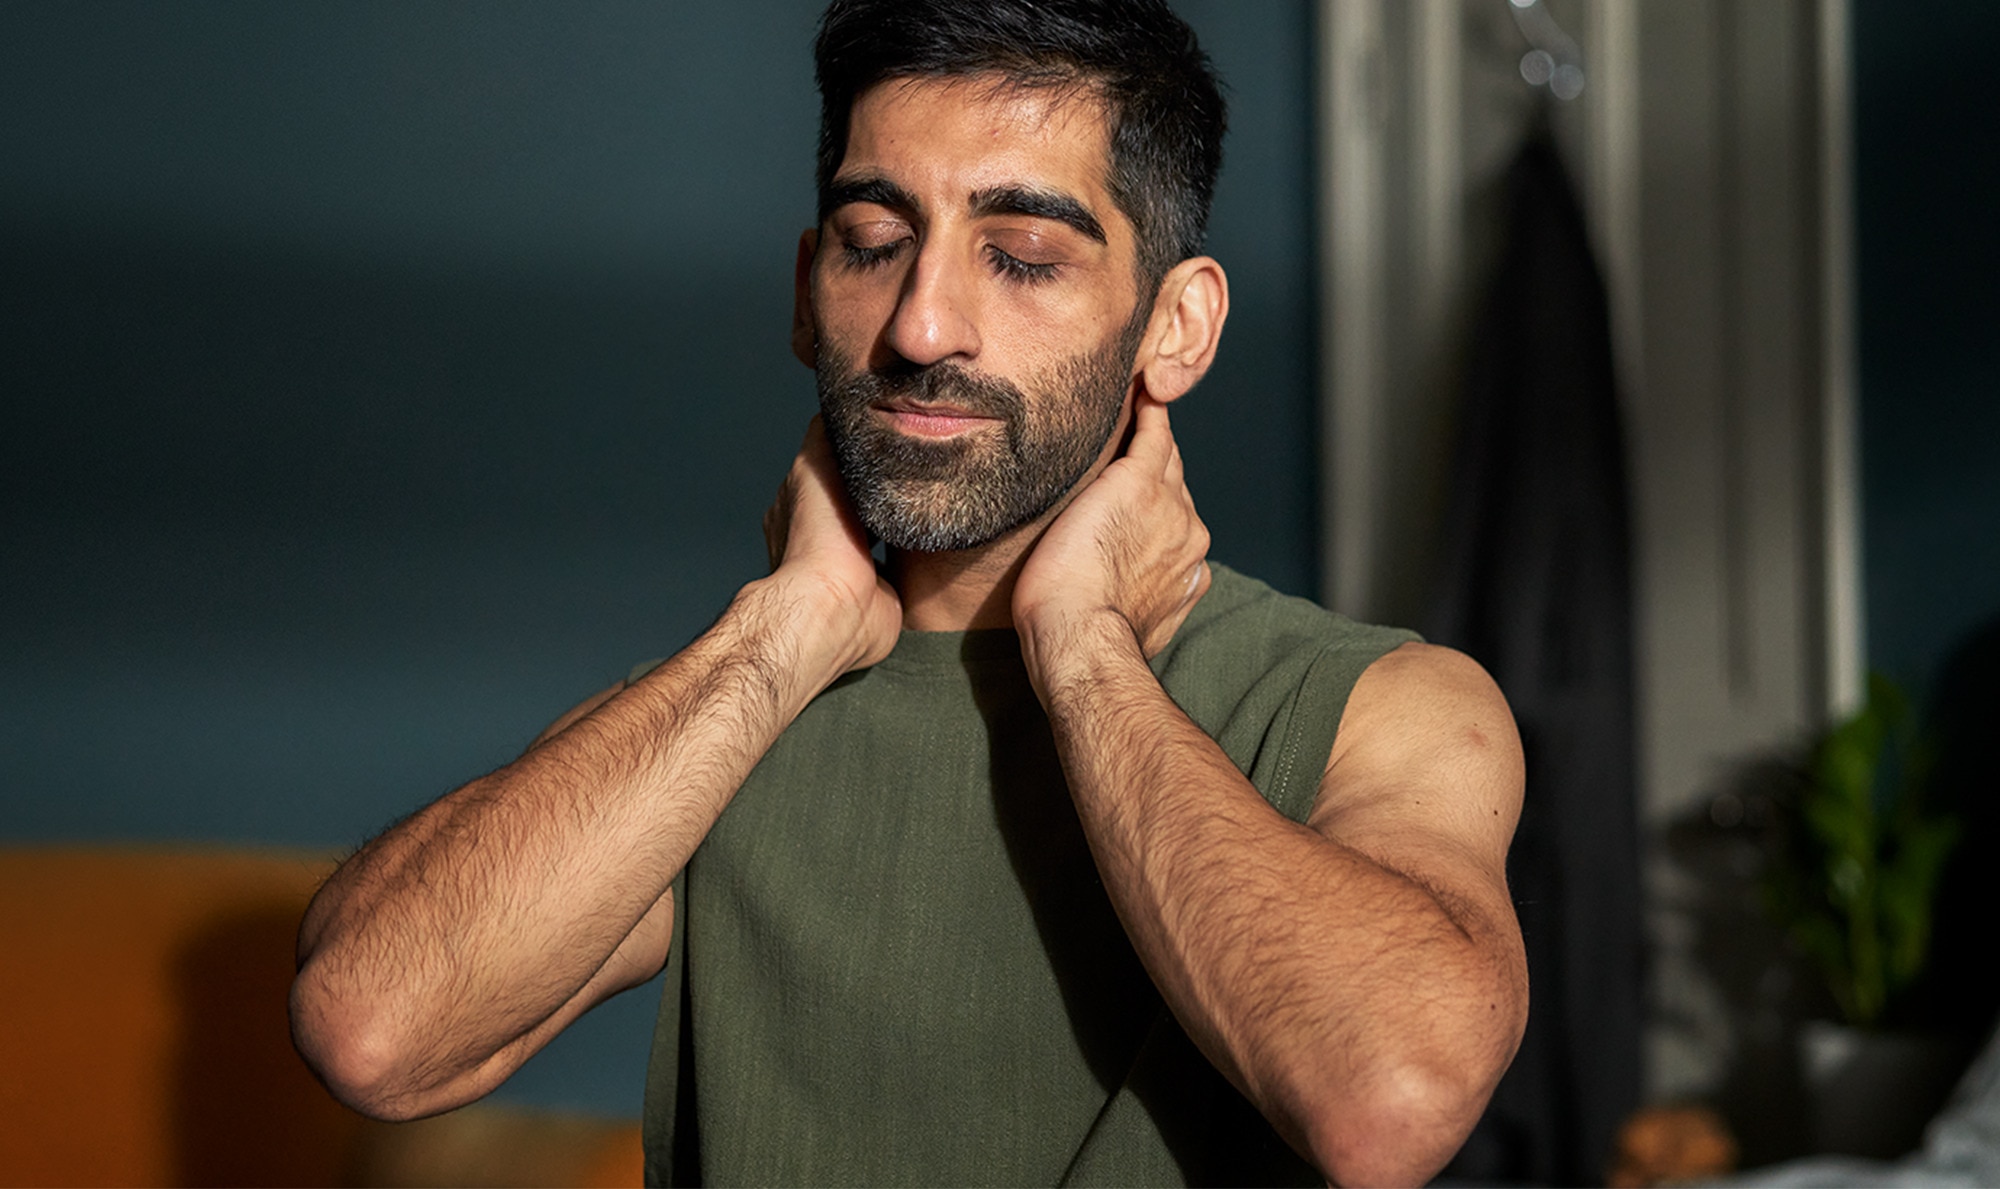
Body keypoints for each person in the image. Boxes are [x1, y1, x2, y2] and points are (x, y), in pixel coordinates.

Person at [290, 1, 1529, 1183]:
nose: (922, 323)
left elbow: (1390, 1102)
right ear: (802, 288)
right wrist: (787, 626)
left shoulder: (1380, 706)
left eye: (1023, 257)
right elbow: (371, 1029)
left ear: (1175, 327)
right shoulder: (735, 706)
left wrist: (1085, 649)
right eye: (873, 243)